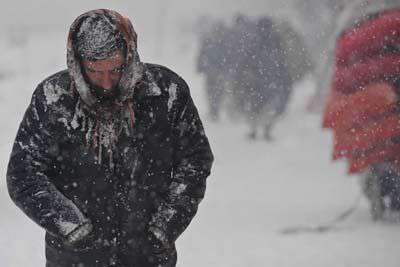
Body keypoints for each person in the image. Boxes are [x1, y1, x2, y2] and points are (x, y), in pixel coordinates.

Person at [6, 9, 214, 267]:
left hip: (148, 257)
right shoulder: (53, 99)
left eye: (116, 69)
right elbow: (23, 174)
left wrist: (165, 226)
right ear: (77, 62)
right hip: (74, 259)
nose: (106, 83)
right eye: (94, 71)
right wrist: (72, 226)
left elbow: (196, 160)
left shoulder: (166, 94)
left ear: (130, 54)